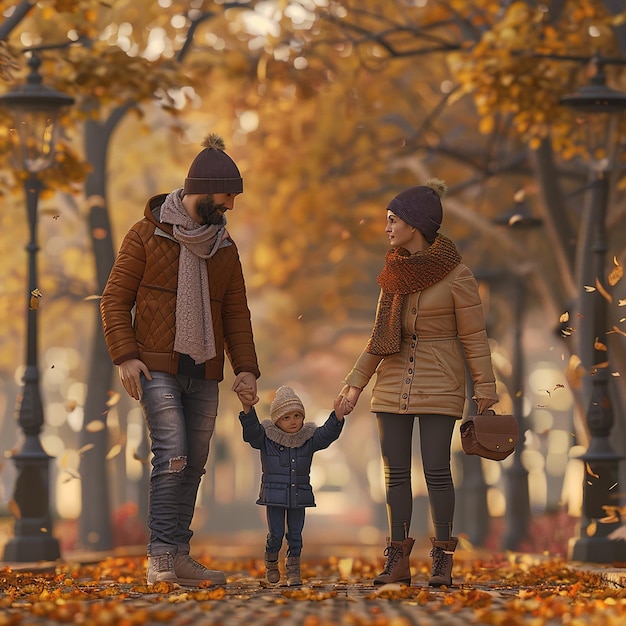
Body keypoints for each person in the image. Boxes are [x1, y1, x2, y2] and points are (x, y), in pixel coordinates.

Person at [100, 133, 260, 586]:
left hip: (204, 369)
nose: (230, 206)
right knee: (171, 453)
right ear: (203, 188)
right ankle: (160, 559)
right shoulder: (146, 234)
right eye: (227, 196)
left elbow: (235, 314)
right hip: (155, 367)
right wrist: (125, 357)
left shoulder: (224, 248)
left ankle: (180, 554)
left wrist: (245, 369)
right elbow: (114, 299)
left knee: (194, 462)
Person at [337, 179, 498, 587]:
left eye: (393, 220)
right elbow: (378, 337)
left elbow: (474, 338)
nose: (387, 228)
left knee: (437, 470)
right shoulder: (392, 272)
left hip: (440, 383)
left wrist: (485, 391)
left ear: (415, 224)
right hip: (391, 383)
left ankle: (442, 558)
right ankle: (397, 559)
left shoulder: (458, 276)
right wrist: (355, 383)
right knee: (394, 474)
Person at [237, 385, 349, 586]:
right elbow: (251, 433)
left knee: (296, 535)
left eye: (297, 415)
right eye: (286, 417)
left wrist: (337, 416)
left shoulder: (308, 438)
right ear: (277, 420)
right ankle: (271, 561)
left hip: (299, 494)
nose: (293, 421)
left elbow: (326, 435)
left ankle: (293, 571)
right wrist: (247, 408)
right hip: (274, 496)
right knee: (276, 534)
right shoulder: (267, 437)